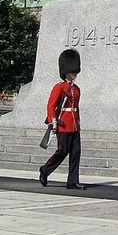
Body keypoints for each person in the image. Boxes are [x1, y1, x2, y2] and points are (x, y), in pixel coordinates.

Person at [39, 49, 86, 190]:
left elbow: (75, 108)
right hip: (63, 124)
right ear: (66, 71)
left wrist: (77, 124)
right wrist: (53, 121)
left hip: (74, 125)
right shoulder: (60, 87)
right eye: (73, 72)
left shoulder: (76, 89)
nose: (75, 75)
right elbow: (51, 105)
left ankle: (72, 181)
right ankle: (45, 170)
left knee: (76, 153)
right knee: (62, 150)